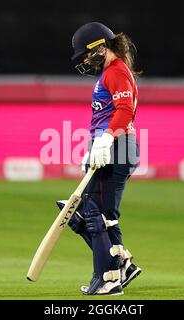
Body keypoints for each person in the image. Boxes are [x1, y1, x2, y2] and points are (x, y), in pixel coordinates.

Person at [57, 22, 142, 296]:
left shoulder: (116, 71)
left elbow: (125, 109)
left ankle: (109, 277)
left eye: (85, 53)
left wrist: (106, 140)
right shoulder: (111, 72)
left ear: (100, 47)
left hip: (117, 146)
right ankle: (121, 265)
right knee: (101, 215)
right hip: (114, 144)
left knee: (95, 215)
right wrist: (98, 141)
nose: (84, 59)